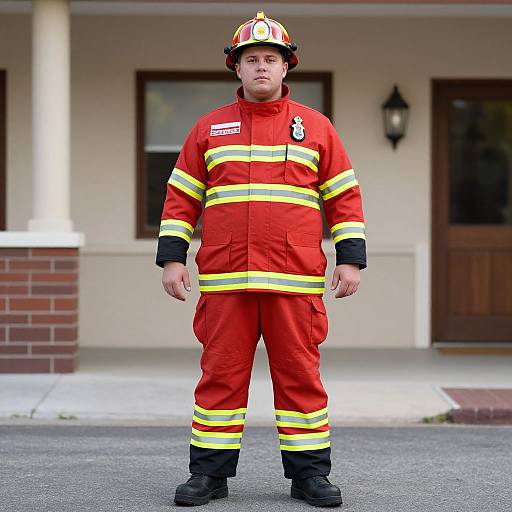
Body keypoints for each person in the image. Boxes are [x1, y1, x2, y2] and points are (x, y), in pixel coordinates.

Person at [156, 11, 367, 507]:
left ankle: (309, 475)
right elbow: (181, 196)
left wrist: (349, 258)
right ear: (237, 68)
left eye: (270, 58)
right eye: (251, 59)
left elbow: (343, 197)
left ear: (286, 66)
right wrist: (172, 258)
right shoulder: (209, 128)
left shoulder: (316, 128)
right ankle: (209, 475)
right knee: (220, 377)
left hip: (294, 280)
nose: (261, 67)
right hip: (227, 279)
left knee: (299, 378)